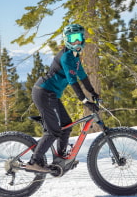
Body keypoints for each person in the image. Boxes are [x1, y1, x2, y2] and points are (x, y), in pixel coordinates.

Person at [26, 24, 99, 173]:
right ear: (67, 40)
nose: (76, 42)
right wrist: (85, 101)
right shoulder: (66, 57)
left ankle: (60, 159)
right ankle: (34, 162)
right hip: (44, 92)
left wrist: (93, 92)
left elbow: (83, 76)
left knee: (67, 125)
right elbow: (73, 81)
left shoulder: (75, 57)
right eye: (72, 39)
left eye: (78, 38)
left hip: (51, 94)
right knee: (53, 132)